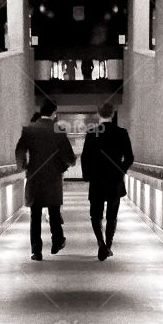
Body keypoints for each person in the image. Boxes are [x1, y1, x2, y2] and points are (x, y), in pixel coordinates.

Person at [15, 99, 76, 261]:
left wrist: (23, 166)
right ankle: (57, 241)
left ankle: (36, 251)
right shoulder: (58, 130)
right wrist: (65, 165)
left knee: (35, 216)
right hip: (53, 179)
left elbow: (20, 149)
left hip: (34, 177)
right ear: (54, 113)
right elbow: (68, 157)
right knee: (54, 212)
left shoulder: (29, 130)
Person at [80, 101, 134, 261]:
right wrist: (120, 171)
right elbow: (129, 157)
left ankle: (101, 243)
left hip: (97, 179)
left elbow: (85, 157)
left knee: (95, 215)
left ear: (98, 114)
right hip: (114, 180)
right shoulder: (121, 133)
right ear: (112, 114)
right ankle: (108, 246)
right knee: (112, 215)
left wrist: (87, 175)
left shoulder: (92, 133)